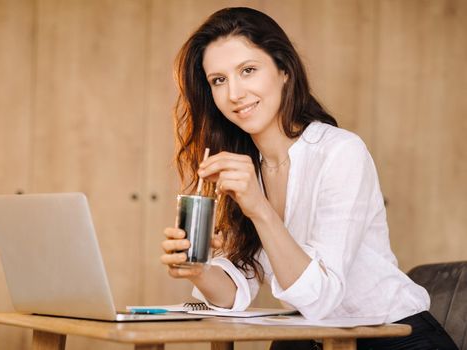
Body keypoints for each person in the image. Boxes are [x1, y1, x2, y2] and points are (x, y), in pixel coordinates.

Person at [160, 7, 457, 350]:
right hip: (312, 336)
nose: (234, 94)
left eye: (248, 70)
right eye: (219, 80)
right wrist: (196, 269)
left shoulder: (340, 152)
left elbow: (322, 298)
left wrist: (259, 207)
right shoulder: (243, 168)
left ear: (284, 70)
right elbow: (234, 291)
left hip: (391, 336)